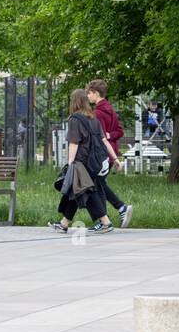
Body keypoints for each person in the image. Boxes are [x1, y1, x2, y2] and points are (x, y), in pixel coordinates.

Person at [49, 89, 118, 234]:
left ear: (74, 101)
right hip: (94, 162)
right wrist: (115, 158)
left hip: (81, 162)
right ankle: (64, 224)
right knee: (76, 192)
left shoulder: (75, 119)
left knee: (86, 191)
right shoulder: (93, 118)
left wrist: (70, 163)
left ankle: (105, 222)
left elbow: (74, 143)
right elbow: (104, 140)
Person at [87, 79, 133, 227]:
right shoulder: (110, 109)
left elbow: (98, 137)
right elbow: (119, 131)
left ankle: (117, 210)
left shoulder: (98, 113)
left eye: (89, 93)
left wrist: (105, 137)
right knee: (99, 184)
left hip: (102, 154)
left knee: (97, 185)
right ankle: (110, 216)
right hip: (112, 153)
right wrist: (109, 136)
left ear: (96, 93)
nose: (88, 96)